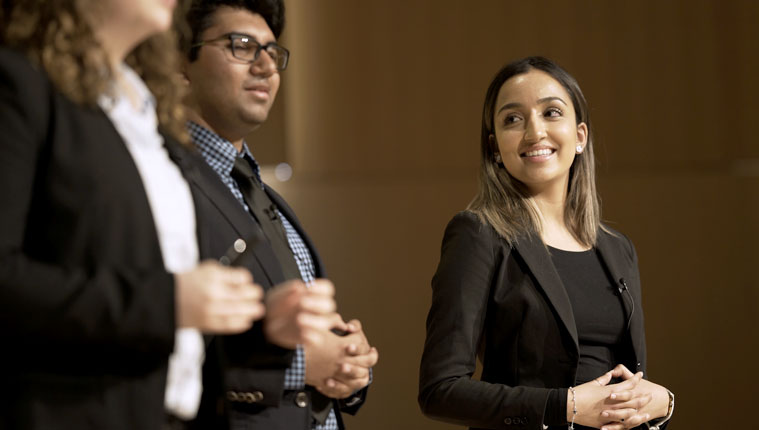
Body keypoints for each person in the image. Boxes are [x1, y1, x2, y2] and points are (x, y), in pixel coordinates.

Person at [0, 0, 339, 429]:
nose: (264, 65)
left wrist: (266, 337)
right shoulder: (19, 83)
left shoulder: (140, 114)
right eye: (241, 46)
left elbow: (170, 340)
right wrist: (168, 302)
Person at [418, 57, 675, 430]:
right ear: (494, 147)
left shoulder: (618, 248)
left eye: (551, 112)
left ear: (581, 136)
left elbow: (631, 387)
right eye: (513, 119)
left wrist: (661, 403)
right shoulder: (478, 234)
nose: (534, 132)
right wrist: (562, 406)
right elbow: (439, 390)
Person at [177, 1, 378, 429]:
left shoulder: (265, 194)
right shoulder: (167, 183)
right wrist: (299, 364)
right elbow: (157, 339)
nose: (267, 66)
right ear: (181, 62)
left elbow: (297, 330)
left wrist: (345, 360)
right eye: (242, 45)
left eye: (273, 51)